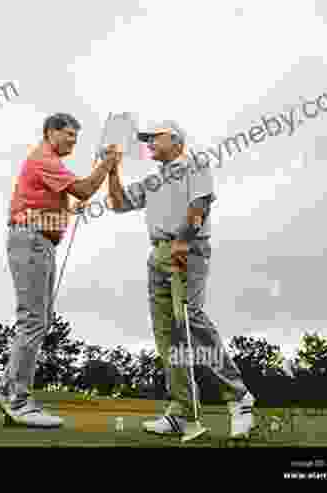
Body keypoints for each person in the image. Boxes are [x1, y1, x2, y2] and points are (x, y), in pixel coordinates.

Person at [107, 120, 256, 442]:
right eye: (145, 139)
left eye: (153, 138)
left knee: (189, 319)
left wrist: (184, 240)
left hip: (187, 250)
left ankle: (239, 398)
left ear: (174, 140)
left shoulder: (195, 163)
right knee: (168, 336)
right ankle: (181, 412)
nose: (147, 144)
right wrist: (111, 171)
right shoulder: (152, 179)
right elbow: (118, 204)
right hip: (158, 254)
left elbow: (200, 204)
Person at [0, 113, 123, 427]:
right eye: (68, 135)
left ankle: (7, 388)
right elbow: (82, 189)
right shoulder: (44, 158)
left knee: (38, 319)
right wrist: (108, 163)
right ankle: (18, 399)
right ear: (50, 132)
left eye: (76, 137)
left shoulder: (48, 161)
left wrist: (69, 209)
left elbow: (62, 199)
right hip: (32, 241)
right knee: (34, 320)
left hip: (40, 241)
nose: (73, 142)